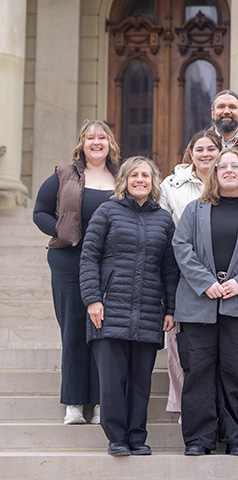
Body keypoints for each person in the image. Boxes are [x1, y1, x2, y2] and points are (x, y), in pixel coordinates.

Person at [172, 147, 238, 456]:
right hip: (197, 304)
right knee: (199, 372)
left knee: (235, 373)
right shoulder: (195, 209)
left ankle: (236, 437)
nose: (228, 170)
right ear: (214, 174)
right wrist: (206, 283)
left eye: (235, 166)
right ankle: (198, 439)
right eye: (222, 166)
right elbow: (181, 247)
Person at [79, 157, 179, 456]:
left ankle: (137, 436)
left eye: (145, 175)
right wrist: (93, 299)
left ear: (153, 181)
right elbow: (89, 258)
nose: (139, 179)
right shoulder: (107, 211)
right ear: (124, 179)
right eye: (134, 175)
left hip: (149, 311)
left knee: (139, 383)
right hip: (109, 309)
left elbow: (170, 270)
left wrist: (170, 308)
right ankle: (117, 438)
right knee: (111, 383)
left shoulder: (163, 219)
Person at [32, 120, 120, 425]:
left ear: (110, 142)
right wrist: (60, 230)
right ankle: (73, 403)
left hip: (109, 263)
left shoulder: (121, 176)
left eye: (102, 137)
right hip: (69, 260)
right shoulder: (63, 175)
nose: (96, 142)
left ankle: (99, 403)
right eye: (90, 138)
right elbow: (39, 211)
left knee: (103, 331)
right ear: (81, 143)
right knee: (73, 329)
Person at [160, 130, 222, 417]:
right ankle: (183, 404)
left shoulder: (235, 179)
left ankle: (219, 404)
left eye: (211, 149)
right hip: (183, 271)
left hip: (225, 276)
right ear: (190, 152)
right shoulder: (171, 185)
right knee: (178, 342)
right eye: (200, 149)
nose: (206, 154)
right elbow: (164, 228)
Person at [181, 90, 238, 169]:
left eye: (232, 107)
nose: (226, 111)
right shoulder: (197, 145)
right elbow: (184, 178)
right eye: (221, 106)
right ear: (213, 113)